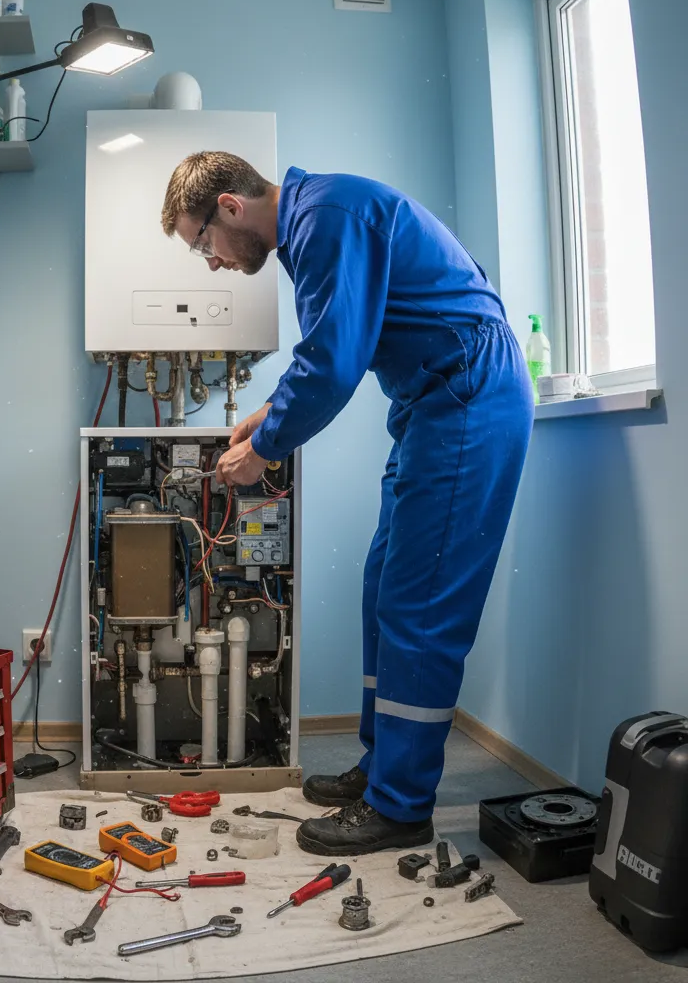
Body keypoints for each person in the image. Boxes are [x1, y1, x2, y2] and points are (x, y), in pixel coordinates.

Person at [160, 153, 533, 856]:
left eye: (202, 242)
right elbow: (340, 343)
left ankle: (400, 805)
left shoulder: (325, 217)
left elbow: (334, 360)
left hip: (467, 394)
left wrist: (265, 448)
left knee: (420, 602)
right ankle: (382, 767)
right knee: (384, 589)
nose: (209, 262)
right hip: (435, 403)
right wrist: (270, 410)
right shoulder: (316, 221)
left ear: (231, 208)